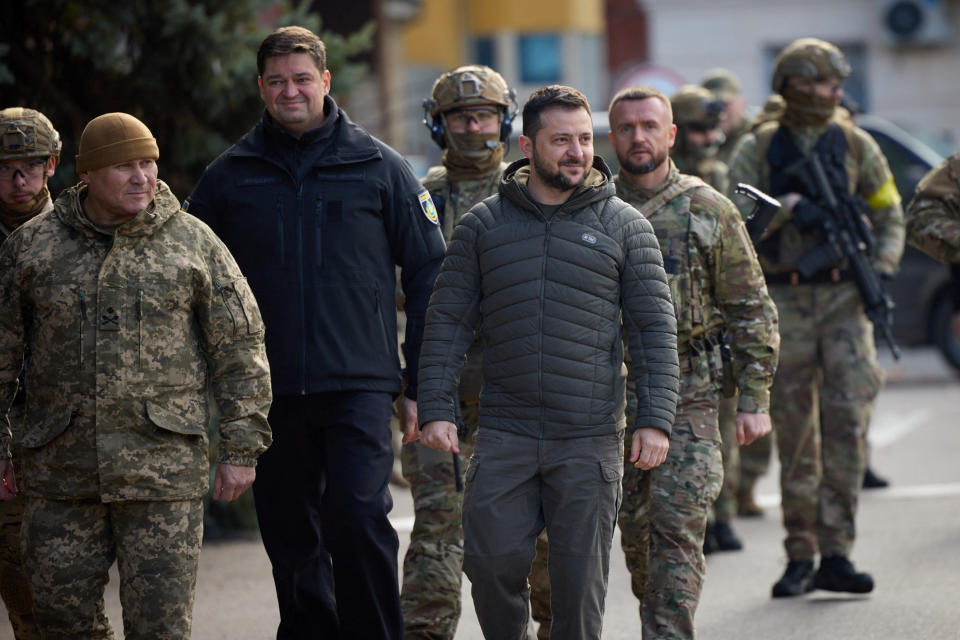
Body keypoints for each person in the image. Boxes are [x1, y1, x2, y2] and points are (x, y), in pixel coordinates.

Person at [184, 26, 446, 639]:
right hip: (268, 394)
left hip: (357, 384)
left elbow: (432, 271)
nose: (289, 91)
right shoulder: (230, 175)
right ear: (260, 88)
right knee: (291, 539)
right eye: (276, 81)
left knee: (357, 518)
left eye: (301, 78)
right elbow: (189, 278)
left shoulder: (380, 167)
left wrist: (421, 383)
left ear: (325, 82)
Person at [416, 85, 680, 640]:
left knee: (578, 592)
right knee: (489, 568)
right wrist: (437, 406)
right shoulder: (483, 226)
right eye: (561, 140)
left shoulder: (626, 226)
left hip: (587, 439)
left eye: (584, 139)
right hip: (505, 433)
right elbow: (447, 321)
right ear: (527, 144)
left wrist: (655, 419)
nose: (577, 152)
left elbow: (654, 330)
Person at [0, 112, 272, 638]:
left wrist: (241, 450)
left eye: (148, 163)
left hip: (162, 472)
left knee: (161, 627)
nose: (142, 177)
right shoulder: (32, 249)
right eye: (125, 165)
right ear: (87, 174)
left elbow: (240, 348)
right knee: (61, 622)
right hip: (60, 473)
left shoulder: (193, 243)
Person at [727, 37, 905, 598]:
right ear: (799, 85)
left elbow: (889, 210)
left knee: (848, 428)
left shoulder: (854, 144)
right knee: (797, 437)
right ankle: (800, 554)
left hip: (845, 303)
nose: (838, 92)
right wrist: (786, 215)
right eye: (830, 83)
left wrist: (880, 264)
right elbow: (731, 226)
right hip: (783, 302)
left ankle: (838, 552)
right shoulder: (758, 148)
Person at [608, 85, 779, 638]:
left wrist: (754, 399)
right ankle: (657, 617)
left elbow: (751, 306)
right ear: (612, 137)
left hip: (692, 393)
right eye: (628, 128)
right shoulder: (592, 208)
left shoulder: (708, 207)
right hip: (612, 397)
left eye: (650, 126)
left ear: (671, 134)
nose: (639, 137)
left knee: (678, 527)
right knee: (637, 537)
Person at [400, 64, 516, 640]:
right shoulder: (418, 197)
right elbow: (391, 296)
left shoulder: (530, 190)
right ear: (439, 126)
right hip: (441, 393)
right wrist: (407, 390)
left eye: (485, 115)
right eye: (460, 117)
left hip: (521, 395)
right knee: (438, 531)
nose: (473, 127)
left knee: (533, 539)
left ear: (505, 120)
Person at [669, 86, 749, 553]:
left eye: (710, 129)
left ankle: (724, 515)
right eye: (696, 130)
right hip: (671, 323)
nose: (706, 139)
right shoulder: (654, 184)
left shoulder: (719, 177)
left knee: (723, 424)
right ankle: (698, 519)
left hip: (714, 319)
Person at [0, 106, 60, 640]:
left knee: (52, 586)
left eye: (29, 166)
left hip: (52, 426)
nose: (18, 181)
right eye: (4, 168)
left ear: (52, 165)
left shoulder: (78, 230)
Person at [669, 85, 729, 193]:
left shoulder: (716, 174)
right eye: (699, 129)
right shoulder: (660, 176)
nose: (710, 137)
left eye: (713, 126)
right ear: (676, 133)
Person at [701, 68, 750, 166]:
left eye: (726, 104)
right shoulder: (697, 138)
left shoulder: (756, 139)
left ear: (742, 103)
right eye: (714, 106)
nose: (720, 113)